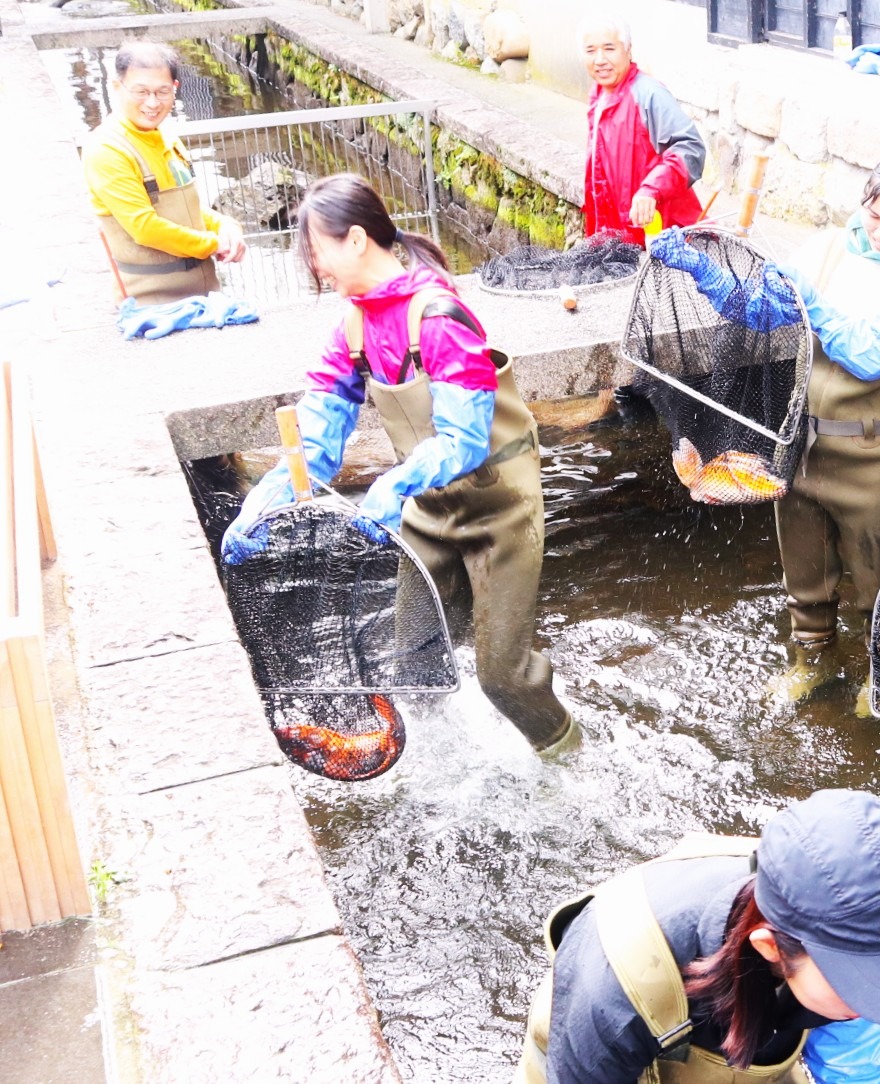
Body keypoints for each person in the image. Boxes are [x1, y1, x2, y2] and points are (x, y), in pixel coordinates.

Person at [219, 174, 574, 753]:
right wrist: (269, 498)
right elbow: (318, 440)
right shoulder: (354, 328)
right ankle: (442, 767)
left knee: (503, 679)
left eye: (317, 250)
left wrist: (391, 485)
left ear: (357, 240)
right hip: (429, 511)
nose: (314, 266)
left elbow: (464, 440)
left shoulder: (439, 317)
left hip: (501, 510)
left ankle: (567, 759)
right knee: (414, 666)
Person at [514, 788, 880, 1084]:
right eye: (859, 982)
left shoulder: (858, 932)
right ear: (770, 947)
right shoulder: (613, 993)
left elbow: (857, 1068)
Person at [768, 150, 880, 709]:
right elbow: (773, 312)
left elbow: (870, 357)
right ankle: (813, 663)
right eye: (874, 215)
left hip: (870, 460)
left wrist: (814, 304)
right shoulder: (827, 248)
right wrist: (721, 280)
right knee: (805, 575)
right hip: (802, 445)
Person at [82, 41, 247, 304]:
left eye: (162, 91)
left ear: (175, 88)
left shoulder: (165, 137)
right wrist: (214, 243)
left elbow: (188, 208)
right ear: (117, 87)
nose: (152, 102)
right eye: (141, 91)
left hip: (202, 292)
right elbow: (144, 228)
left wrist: (227, 226)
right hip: (153, 302)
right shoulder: (107, 149)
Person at [581, 13, 705, 246]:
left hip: (660, 234)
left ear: (628, 50)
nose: (600, 60)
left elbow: (690, 148)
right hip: (618, 236)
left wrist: (651, 189)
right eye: (590, 51)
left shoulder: (648, 94)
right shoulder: (598, 95)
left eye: (609, 49)